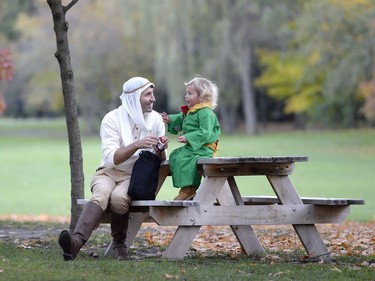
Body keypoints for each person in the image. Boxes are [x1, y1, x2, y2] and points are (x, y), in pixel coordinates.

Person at [58, 77, 168, 261]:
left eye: (152, 94)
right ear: (134, 97)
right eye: (148, 94)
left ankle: (119, 244)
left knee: (119, 198)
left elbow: (161, 160)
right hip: (107, 172)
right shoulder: (112, 119)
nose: (153, 98)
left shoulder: (156, 120)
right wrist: (137, 145)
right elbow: (112, 158)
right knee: (101, 195)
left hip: (133, 177)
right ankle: (75, 244)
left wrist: (160, 150)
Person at [161, 77, 221, 200]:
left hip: (204, 148)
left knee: (185, 159)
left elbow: (205, 132)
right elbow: (181, 118)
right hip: (193, 147)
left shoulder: (205, 113)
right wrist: (170, 119)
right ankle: (185, 186)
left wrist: (188, 137)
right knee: (175, 155)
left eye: (190, 93)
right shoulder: (192, 111)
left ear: (203, 96)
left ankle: (190, 188)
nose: (186, 96)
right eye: (186, 93)